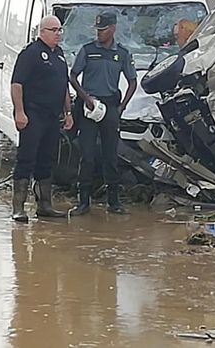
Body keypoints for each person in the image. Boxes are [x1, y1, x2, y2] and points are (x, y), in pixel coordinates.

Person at [69, 12, 137, 215]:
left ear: (113, 29)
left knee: (110, 155)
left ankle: (114, 202)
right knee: (87, 156)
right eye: (97, 30)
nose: (99, 34)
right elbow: (73, 76)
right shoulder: (88, 51)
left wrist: (122, 106)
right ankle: (83, 202)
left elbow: (133, 81)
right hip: (89, 108)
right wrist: (85, 98)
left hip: (110, 107)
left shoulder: (122, 54)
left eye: (103, 30)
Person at [9, 15, 74, 222]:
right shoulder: (31, 54)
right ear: (42, 32)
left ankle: (44, 205)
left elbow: (63, 85)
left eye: (59, 30)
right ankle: (18, 207)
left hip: (52, 116)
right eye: (53, 30)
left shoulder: (60, 55)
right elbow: (17, 84)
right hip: (33, 114)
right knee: (27, 159)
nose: (58, 34)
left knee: (47, 160)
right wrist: (20, 112)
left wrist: (68, 112)